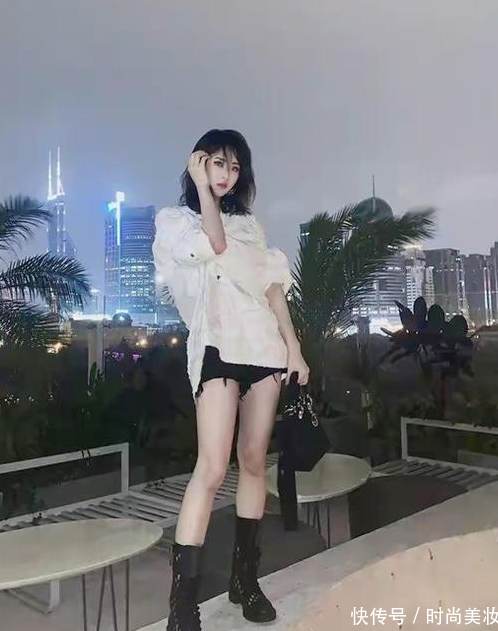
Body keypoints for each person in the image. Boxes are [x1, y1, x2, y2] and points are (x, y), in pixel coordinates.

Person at [153, 129, 310, 631]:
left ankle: (246, 581)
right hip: (217, 347)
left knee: (255, 462)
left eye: (235, 167)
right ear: (199, 163)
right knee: (212, 468)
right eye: (218, 163)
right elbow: (213, 243)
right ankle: (183, 606)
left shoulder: (251, 225)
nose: (227, 174)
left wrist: (294, 348)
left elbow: (272, 289)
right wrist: (204, 191)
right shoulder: (175, 221)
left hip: (263, 348)